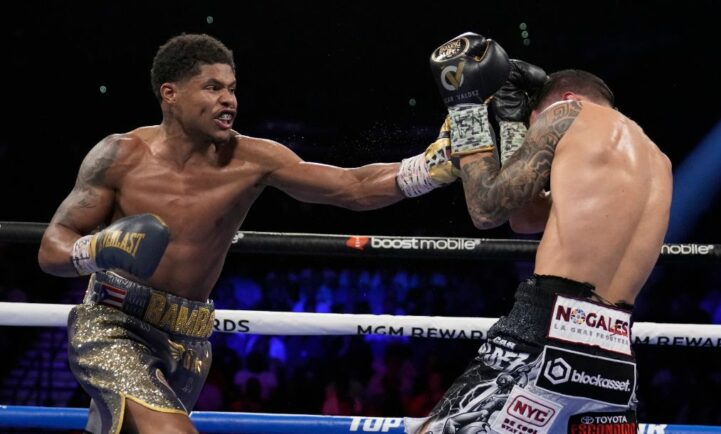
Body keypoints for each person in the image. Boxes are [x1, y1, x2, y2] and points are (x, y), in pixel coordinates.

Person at [37, 33, 460, 434]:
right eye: (212, 88)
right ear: (170, 94)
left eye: (232, 89)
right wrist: (98, 249)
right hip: (114, 322)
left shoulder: (252, 160)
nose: (228, 101)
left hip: (190, 337)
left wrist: (429, 169)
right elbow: (52, 246)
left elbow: (353, 188)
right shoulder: (120, 155)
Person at [407, 32, 672, 433]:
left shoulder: (567, 115)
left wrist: (465, 109)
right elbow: (525, 218)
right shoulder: (656, 160)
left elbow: (487, 208)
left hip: (545, 330)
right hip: (615, 357)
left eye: (532, 124)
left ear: (560, 102)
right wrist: (513, 121)